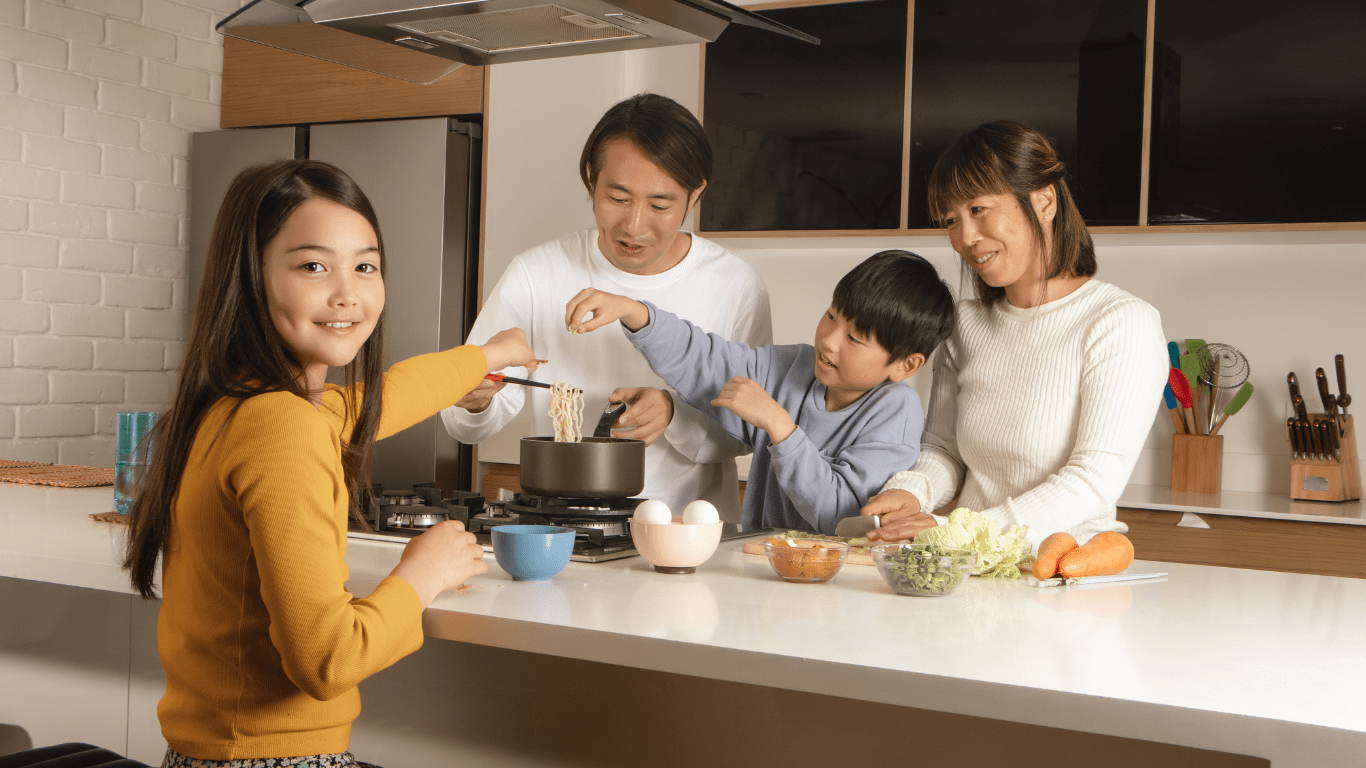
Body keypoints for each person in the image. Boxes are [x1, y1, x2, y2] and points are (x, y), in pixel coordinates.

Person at [121, 159, 535, 767]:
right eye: (314, 266)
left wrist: (485, 356)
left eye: (365, 266)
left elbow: (379, 400)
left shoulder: (232, 404)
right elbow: (326, 661)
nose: (348, 293)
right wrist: (423, 572)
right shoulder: (284, 426)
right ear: (252, 277)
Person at [440, 93, 771, 521]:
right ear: (591, 179)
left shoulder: (735, 285)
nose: (634, 226)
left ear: (695, 196)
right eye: (618, 198)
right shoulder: (536, 273)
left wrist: (674, 412)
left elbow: (750, 430)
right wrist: (474, 400)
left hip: (686, 538)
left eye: (659, 204)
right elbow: (467, 422)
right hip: (560, 530)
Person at [860, 121, 1168, 550]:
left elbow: (1093, 481)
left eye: (979, 209)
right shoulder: (964, 325)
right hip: (966, 570)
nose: (965, 238)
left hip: (1060, 573)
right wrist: (913, 491)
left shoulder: (1120, 322)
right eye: (951, 220)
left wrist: (958, 533)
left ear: (1043, 200)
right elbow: (944, 451)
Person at [564, 250, 955, 534]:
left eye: (854, 338)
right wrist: (637, 314)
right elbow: (709, 359)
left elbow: (842, 517)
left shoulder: (896, 410)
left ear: (906, 365)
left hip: (840, 586)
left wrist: (779, 425)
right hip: (765, 565)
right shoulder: (793, 366)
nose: (830, 341)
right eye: (831, 316)